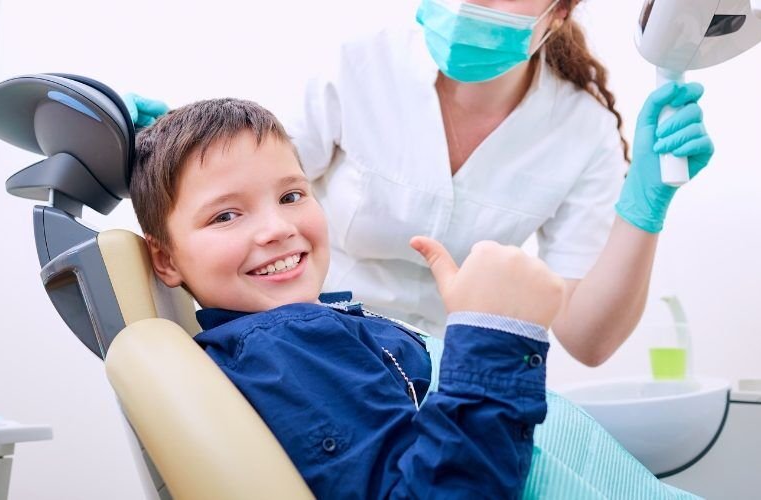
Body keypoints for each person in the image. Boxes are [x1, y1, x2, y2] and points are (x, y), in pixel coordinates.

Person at [124, 0, 715, 367]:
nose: (462, 7)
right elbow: (250, 193)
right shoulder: (359, 66)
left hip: (447, 369)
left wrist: (644, 209)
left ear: (556, 14)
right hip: (319, 347)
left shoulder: (580, 130)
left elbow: (587, 340)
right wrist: (154, 151)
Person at [129, 97, 565, 498]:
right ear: (165, 259)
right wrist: (496, 336)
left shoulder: (291, 335)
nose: (278, 227)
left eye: (291, 195)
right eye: (226, 215)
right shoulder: (289, 347)